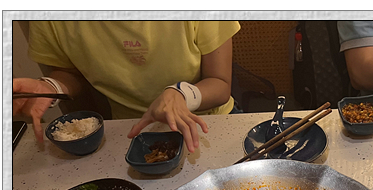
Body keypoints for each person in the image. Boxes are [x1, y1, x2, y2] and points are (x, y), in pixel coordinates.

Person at [13, 20, 240, 153]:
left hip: (207, 122)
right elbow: (70, 73)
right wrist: (51, 86)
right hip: (128, 130)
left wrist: (181, 93)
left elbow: (220, 84)